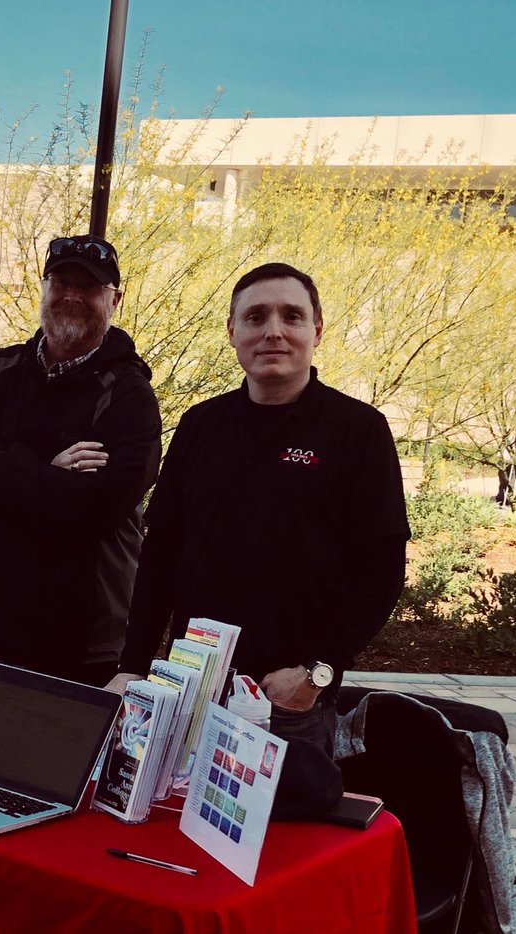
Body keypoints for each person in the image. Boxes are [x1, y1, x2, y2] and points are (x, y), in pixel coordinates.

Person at [109, 262, 410, 756]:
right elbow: (159, 556)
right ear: (232, 332)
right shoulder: (200, 425)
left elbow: (380, 573)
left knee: (281, 834)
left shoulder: (358, 430)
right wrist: (132, 665)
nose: (273, 331)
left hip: (289, 700)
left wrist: (318, 670)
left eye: (291, 316)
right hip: (188, 690)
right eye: (255, 317)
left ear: (317, 328)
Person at [0, 234, 162, 685]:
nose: (71, 296)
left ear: (115, 300)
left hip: (68, 643)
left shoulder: (131, 398)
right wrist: (48, 480)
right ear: (45, 289)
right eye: (61, 282)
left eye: (88, 287)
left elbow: (95, 511)